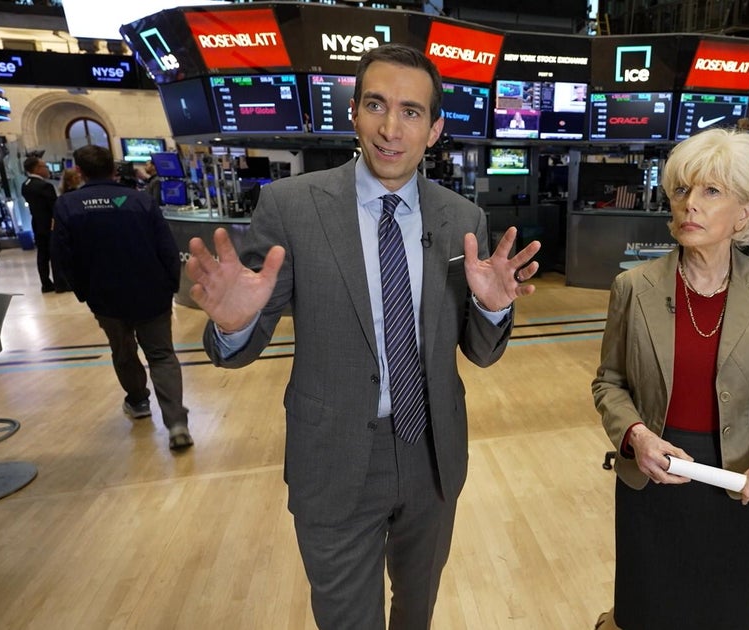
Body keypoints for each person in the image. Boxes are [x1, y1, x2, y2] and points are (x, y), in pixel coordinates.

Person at [184, 43, 540, 628]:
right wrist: (234, 322)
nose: (390, 127)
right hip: (334, 456)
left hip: (431, 454)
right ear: (353, 114)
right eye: (375, 105)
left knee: (417, 610)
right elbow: (240, 346)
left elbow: (478, 351)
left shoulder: (462, 219)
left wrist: (493, 310)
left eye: (410, 111)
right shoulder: (291, 207)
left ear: (434, 129)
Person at [592, 128, 749, 630]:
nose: (691, 204)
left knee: (725, 611)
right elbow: (609, 382)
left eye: (712, 192)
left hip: (738, 477)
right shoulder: (634, 286)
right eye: (683, 190)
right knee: (649, 608)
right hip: (655, 470)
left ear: (746, 214)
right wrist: (636, 437)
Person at [52, 145, 193, 451]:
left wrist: (83, 292)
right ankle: (177, 423)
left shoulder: (67, 206)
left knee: (123, 350)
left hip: (105, 297)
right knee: (162, 355)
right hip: (151, 292)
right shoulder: (141, 200)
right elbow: (167, 248)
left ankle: (139, 402)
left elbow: (63, 256)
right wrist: (170, 285)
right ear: (114, 169)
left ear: (79, 171)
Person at [22, 156, 60, 292]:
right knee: (55, 254)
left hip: (37, 223)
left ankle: (45, 282)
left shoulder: (25, 185)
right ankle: (60, 283)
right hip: (50, 224)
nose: (47, 169)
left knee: (42, 255)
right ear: (37, 169)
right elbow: (54, 207)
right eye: (45, 166)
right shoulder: (44, 186)